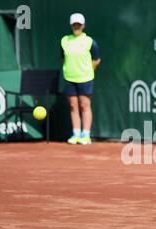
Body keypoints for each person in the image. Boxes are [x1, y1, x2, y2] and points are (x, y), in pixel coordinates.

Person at [61, 13, 101, 145]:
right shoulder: (65, 40)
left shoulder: (89, 41)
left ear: (83, 25)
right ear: (71, 25)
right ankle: (76, 133)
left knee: (84, 105)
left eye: (78, 24)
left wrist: (88, 70)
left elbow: (96, 60)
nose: (76, 26)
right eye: (74, 24)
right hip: (69, 77)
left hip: (85, 78)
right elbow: (63, 58)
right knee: (73, 106)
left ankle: (86, 135)